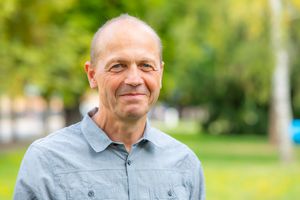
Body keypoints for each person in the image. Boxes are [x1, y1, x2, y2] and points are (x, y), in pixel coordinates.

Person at [14, 14, 205, 200]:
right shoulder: (46, 161)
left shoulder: (185, 164)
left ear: (160, 74)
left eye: (146, 65)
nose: (134, 79)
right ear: (92, 75)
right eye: (118, 66)